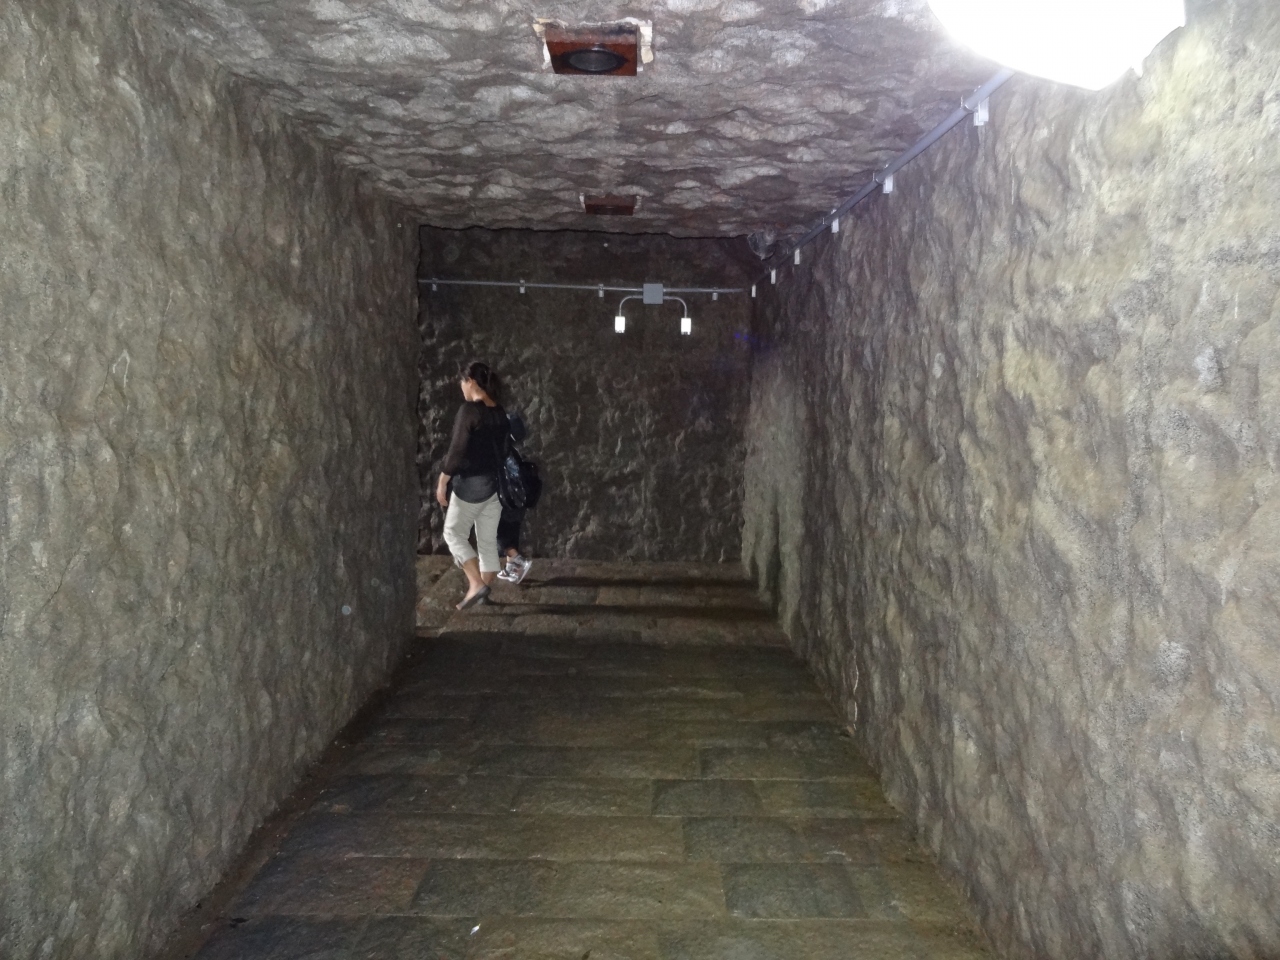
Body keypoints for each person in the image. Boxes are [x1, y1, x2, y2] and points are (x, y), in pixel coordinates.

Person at [437, 361, 507, 610]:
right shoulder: (499, 411)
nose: (461, 387)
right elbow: (504, 450)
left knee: (453, 533)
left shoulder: (469, 411)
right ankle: (483, 593)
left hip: (471, 484)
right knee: (486, 541)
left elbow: (456, 450)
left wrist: (443, 480)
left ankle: (476, 584)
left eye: (462, 382)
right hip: (494, 485)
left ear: (470, 381)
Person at [496, 411, 532, 584]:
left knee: (495, 531)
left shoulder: (501, 453)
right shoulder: (514, 452)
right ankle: (512, 568)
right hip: (517, 499)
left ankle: (518, 560)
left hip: (506, 499)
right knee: (511, 531)